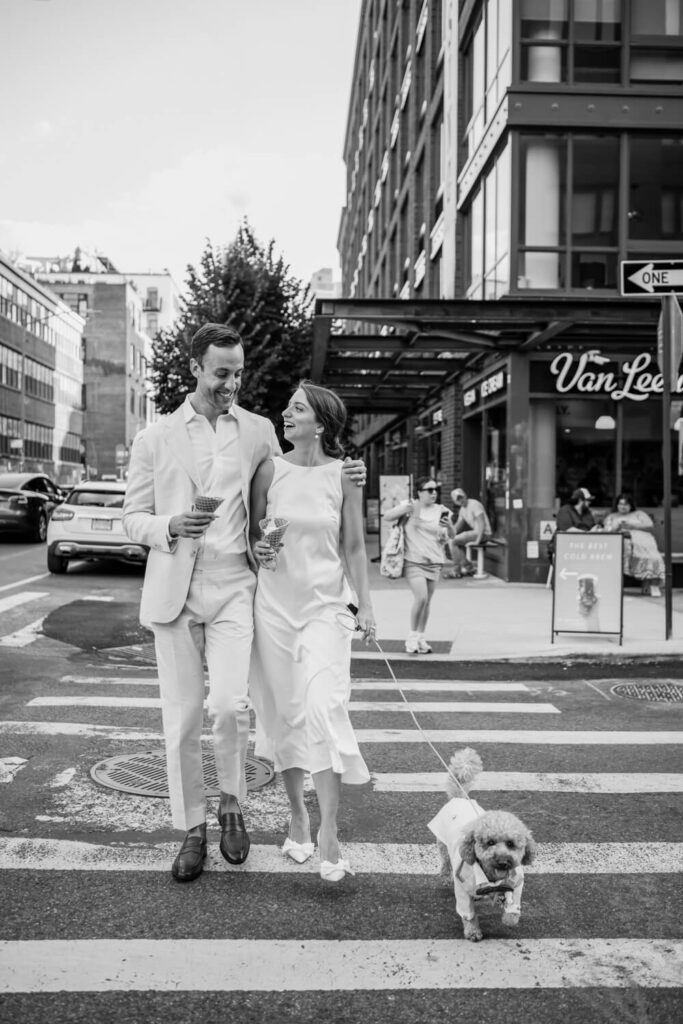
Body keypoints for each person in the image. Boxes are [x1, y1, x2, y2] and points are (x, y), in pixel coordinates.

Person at [122, 324, 365, 883]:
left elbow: (302, 473)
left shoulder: (257, 431)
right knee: (182, 719)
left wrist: (351, 472)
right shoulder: (154, 438)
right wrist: (169, 524)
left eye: (238, 373)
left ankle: (232, 802)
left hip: (237, 586)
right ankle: (193, 828)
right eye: (222, 372)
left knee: (230, 706)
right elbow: (131, 517)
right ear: (196, 369)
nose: (232, 382)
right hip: (175, 590)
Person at [249, 380, 375, 883]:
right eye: (288, 406)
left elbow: (355, 547)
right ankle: (297, 814)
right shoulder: (268, 468)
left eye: (296, 408)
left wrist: (366, 605)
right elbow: (252, 530)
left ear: (320, 423)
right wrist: (258, 546)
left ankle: (329, 829)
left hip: (326, 607)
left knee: (324, 707)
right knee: (286, 715)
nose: (286, 412)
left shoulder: (344, 476)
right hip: (274, 608)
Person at [383, 477, 454, 654]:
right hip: (413, 560)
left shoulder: (443, 511)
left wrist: (449, 526)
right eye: (429, 490)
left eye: (436, 489)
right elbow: (387, 517)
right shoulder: (410, 506)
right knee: (421, 597)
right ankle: (412, 637)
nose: (434, 493)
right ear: (419, 492)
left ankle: (421, 637)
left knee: (427, 602)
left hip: (435, 561)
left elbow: (450, 535)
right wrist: (406, 508)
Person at [602, 493, 664, 597]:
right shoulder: (612, 516)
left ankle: (653, 585)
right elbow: (607, 530)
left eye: (626, 504)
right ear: (616, 505)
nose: (623, 507)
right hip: (622, 541)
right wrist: (617, 526)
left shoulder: (639, 513)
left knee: (654, 557)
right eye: (620, 504)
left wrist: (631, 525)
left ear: (631, 505)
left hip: (643, 543)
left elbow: (649, 525)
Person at [448, 487, 493, 577]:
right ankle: (468, 568)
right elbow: (458, 526)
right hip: (476, 534)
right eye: (458, 499)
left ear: (465, 496)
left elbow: (482, 524)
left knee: (453, 541)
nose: (461, 500)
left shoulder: (474, 504)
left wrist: (478, 541)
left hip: (484, 534)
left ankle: (458, 570)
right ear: (455, 502)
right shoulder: (462, 510)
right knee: (453, 540)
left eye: (462, 497)